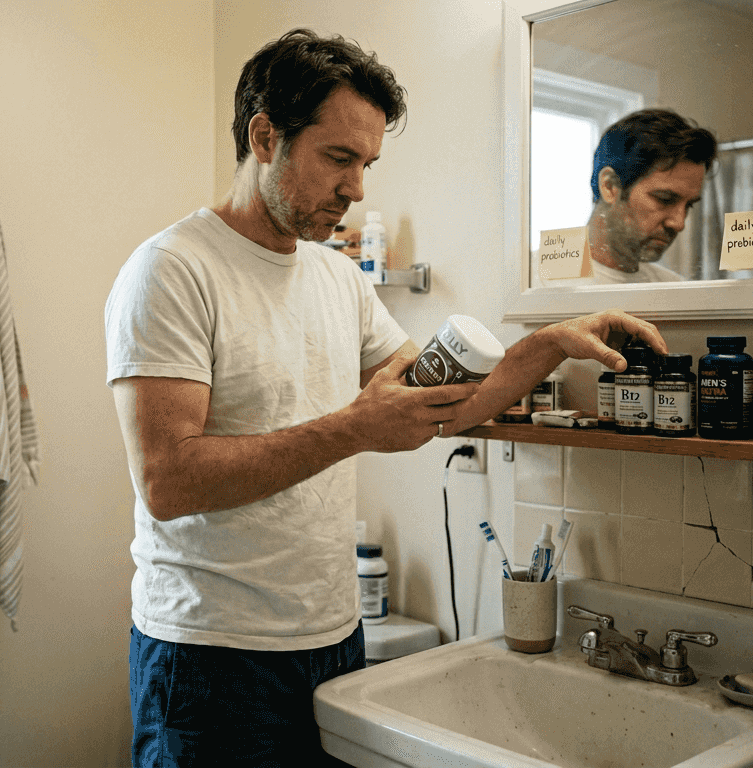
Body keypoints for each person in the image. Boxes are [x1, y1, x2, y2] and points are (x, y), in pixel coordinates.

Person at [104, 28, 667, 767]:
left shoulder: (338, 277)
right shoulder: (173, 271)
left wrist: (549, 343)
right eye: (339, 157)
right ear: (265, 136)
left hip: (333, 641)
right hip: (211, 655)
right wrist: (353, 428)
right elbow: (169, 481)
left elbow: (443, 407)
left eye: (366, 162)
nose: (358, 187)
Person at [585, 108, 718, 283]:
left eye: (688, 205)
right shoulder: (538, 282)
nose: (679, 224)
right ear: (609, 186)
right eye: (665, 199)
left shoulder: (676, 290)